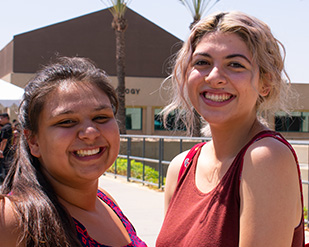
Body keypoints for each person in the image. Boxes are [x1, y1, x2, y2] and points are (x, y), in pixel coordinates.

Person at [156, 11, 305, 247]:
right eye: (202, 62)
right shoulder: (180, 167)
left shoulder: (266, 158)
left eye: (235, 64)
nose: (214, 77)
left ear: (265, 83)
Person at [0, 57, 147, 247]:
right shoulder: (13, 220)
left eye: (101, 117)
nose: (91, 133)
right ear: (33, 141)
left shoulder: (106, 200)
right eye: (67, 121)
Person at [0, 113, 13, 181]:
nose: (0, 120)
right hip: (9, 150)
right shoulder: (10, 126)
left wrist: (1, 151)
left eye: (1, 118)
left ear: (6, 118)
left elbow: (4, 140)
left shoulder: (6, 128)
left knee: (6, 167)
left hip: (5, 151)